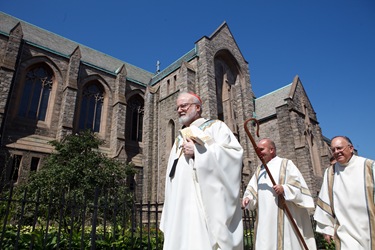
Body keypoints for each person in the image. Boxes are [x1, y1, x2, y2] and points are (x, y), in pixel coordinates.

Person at [160, 92, 244, 250]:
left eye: (184, 105)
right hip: (178, 202)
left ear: (197, 107)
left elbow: (234, 155)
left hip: (203, 202)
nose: (179, 110)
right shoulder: (179, 138)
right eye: (177, 107)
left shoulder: (215, 127)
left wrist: (199, 152)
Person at [242, 138, 317, 250]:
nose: (259, 152)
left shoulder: (286, 164)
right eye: (257, 150)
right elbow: (251, 191)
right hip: (265, 221)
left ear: (272, 150)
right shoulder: (259, 170)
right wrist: (248, 198)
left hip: (285, 219)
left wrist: (284, 189)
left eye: (261, 149)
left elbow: (298, 187)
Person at [314, 136, 375, 249]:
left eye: (339, 148)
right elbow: (325, 200)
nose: (336, 152)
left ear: (351, 148)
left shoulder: (369, 167)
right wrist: (326, 228)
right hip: (345, 231)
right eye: (333, 150)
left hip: (370, 226)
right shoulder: (330, 173)